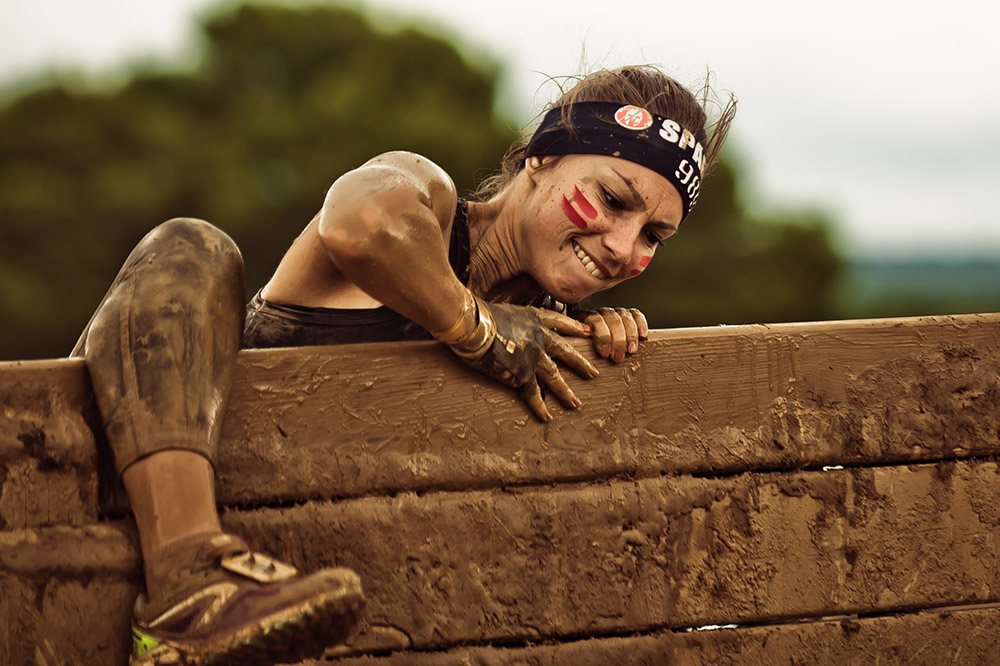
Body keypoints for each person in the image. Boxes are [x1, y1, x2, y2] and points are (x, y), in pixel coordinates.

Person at [71, 65, 734, 665]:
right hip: (91, 543)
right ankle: (187, 588)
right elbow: (363, 222)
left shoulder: (555, 334)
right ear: (543, 157)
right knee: (189, 246)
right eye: (614, 200)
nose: (623, 246)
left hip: (374, 622)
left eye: (654, 235)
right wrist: (477, 329)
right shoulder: (426, 204)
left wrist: (608, 348)